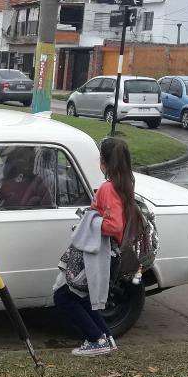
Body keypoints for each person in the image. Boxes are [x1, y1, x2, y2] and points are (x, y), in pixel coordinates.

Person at [53, 137, 136, 357]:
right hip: (107, 252)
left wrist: (91, 218)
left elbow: (113, 225)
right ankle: (106, 337)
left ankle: (96, 339)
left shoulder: (108, 188)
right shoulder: (126, 184)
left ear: (104, 162)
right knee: (83, 297)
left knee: (63, 296)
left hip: (96, 254)